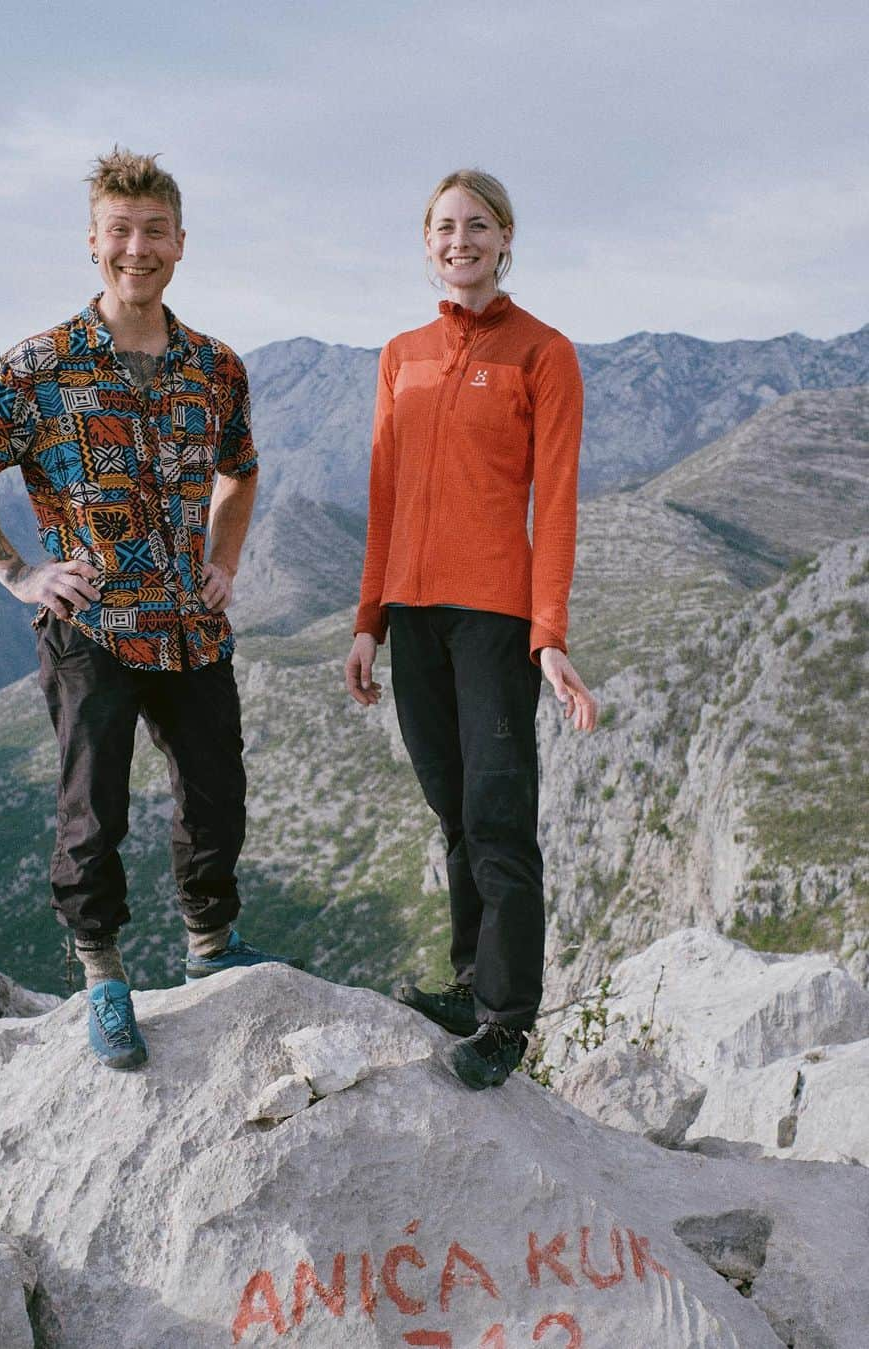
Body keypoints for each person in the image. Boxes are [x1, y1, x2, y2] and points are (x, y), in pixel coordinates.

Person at [0, 147, 296, 1072]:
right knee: (93, 808)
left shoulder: (215, 367)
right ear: (93, 243)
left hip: (187, 622)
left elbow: (241, 470)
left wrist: (224, 559)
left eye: (155, 231)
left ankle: (212, 942)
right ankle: (101, 975)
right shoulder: (39, 365)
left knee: (216, 792)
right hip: (91, 625)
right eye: (120, 232)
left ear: (181, 243)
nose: (138, 248)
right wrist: (20, 573)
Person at [345, 168, 597, 1090]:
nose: (461, 241)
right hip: (411, 617)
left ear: (506, 238)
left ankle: (505, 1020)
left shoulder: (545, 354)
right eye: (446, 226)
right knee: (451, 808)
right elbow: (384, 496)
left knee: (498, 814)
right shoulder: (401, 353)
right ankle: (466, 980)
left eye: (478, 225)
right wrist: (367, 620)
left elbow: (557, 504)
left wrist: (550, 632)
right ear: (427, 241)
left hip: (494, 617)